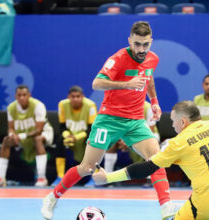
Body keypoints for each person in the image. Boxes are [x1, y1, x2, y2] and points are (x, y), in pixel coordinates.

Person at [42, 21, 179, 220]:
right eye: (137, 44)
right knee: (88, 167)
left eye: (145, 44)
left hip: (135, 121)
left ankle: (165, 206)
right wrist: (127, 84)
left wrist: (155, 102)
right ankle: (52, 198)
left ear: (151, 42)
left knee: (157, 159)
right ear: (130, 41)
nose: (141, 49)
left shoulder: (152, 59)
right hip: (109, 119)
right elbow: (96, 83)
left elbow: (149, 78)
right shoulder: (117, 59)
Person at [0, 85, 53, 187]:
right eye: (19, 95)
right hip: (22, 136)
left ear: (29, 95)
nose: (22, 97)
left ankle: (42, 177)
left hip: (44, 133)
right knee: (6, 140)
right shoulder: (11, 107)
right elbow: (10, 128)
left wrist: (21, 136)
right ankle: (1, 178)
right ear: (15, 96)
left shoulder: (38, 105)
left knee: (37, 139)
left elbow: (39, 130)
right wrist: (12, 135)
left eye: (24, 95)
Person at [50, 86, 97, 187]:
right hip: (69, 137)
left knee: (94, 143)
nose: (75, 99)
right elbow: (62, 127)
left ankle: (94, 177)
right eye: (73, 97)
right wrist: (67, 136)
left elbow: (91, 130)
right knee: (59, 141)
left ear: (82, 97)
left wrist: (77, 137)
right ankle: (60, 177)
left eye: (78, 96)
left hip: (84, 136)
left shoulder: (91, 106)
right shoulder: (62, 104)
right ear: (68, 97)